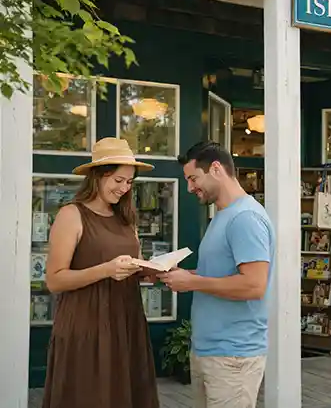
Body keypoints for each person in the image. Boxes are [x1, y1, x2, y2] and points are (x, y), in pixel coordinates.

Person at [42, 137, 159, 408]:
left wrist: (152, 271)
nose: (124, 188)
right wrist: (106, 270)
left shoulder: (126, 219)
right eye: (118, 180)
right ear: (97, 176)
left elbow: (134, 264)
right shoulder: (71, 215)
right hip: (86, 325)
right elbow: (55, 280)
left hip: (126, 321)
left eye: (129, 182)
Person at [159, 141, 274, 408]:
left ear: (216, 168)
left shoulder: (245, 218)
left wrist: (193, 282)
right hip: (210, 351)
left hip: (233, 356)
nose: (189, 187)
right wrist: (184, 275)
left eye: (193, 178)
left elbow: (254, 285)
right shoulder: (224, 215)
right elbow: (221, 275)